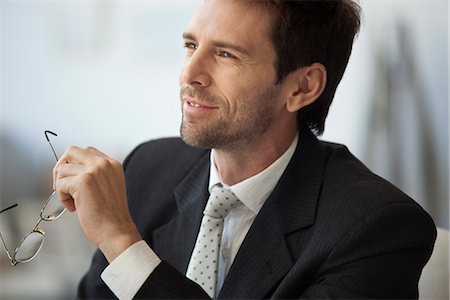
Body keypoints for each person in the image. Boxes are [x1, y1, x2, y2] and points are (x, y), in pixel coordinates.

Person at [53, 0, 436, 299]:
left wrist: (122, 242)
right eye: (191, 44)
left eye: (226, 54)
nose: (189, 74)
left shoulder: (378, 228)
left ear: (302, 87)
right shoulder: (146, 168)